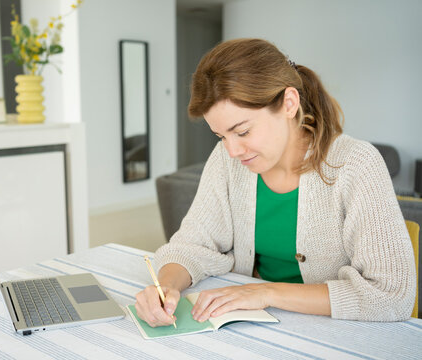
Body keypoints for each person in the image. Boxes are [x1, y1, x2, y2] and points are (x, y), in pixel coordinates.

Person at [135, 38, 416, 325]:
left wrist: (267, 293)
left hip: (337, 330)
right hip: (255, 325)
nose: (232, 150)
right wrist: (167, 286)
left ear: (289, 104)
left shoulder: (356, 164)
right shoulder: (227, 160)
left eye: (242, 132)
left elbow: (391, 296)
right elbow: (192, 244)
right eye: (221, 136)